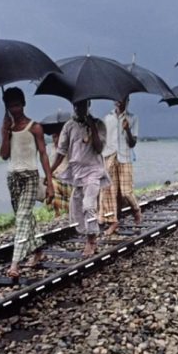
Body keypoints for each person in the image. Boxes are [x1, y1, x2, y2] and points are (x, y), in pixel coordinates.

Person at [0, 87, 55, 279]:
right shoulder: (7, 127)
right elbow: (4, 155)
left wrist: (49, 182)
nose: (14, 109)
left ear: (23, 104)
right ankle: (38, 250)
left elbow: (43, 154)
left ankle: (15, 264)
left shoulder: (34, 127)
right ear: (6, 107)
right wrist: (6, 133)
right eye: (10, 106)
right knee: (25, 216)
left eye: (17, 104)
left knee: (22, 216)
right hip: (12, 176)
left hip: (30, 175)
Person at [49, 100, 110, 258]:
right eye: (76, 105)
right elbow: (61, 151)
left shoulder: (99, 123)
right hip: (77, 172)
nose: (79, 108)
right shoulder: (69, 126)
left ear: (88, 105)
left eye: (82, 105)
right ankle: (89, 235)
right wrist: (50, 171)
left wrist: (93, 128)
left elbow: (99, 148)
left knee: (89, 204)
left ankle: (91, 241)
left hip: (94, 170)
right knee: (77, 209)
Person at [99, 97, 142, 235]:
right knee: (109, 192)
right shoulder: (107, 118)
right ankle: (113, 222)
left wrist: (127, 129)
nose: (118, 102)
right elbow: (103, 140)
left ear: (127, 101)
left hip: (125, 157)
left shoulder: (133, 118)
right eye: (116, 99)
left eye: (121, 99)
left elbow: (132, 143)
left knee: (126, 191)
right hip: (110, 156)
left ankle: (136, 209)